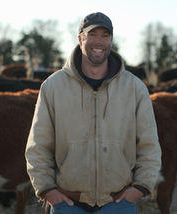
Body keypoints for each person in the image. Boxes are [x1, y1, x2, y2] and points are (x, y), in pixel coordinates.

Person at [25, 12, 161, 214]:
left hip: (119, 202)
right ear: (80, 39)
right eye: (92, 34)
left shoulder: (134, 88)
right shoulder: (53, 87)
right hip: (68, 204)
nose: (99, 41)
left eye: (105, 35)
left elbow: (149, 146)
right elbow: (38, 146)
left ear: (111, 41)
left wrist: (140, 187)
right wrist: (48, 190)